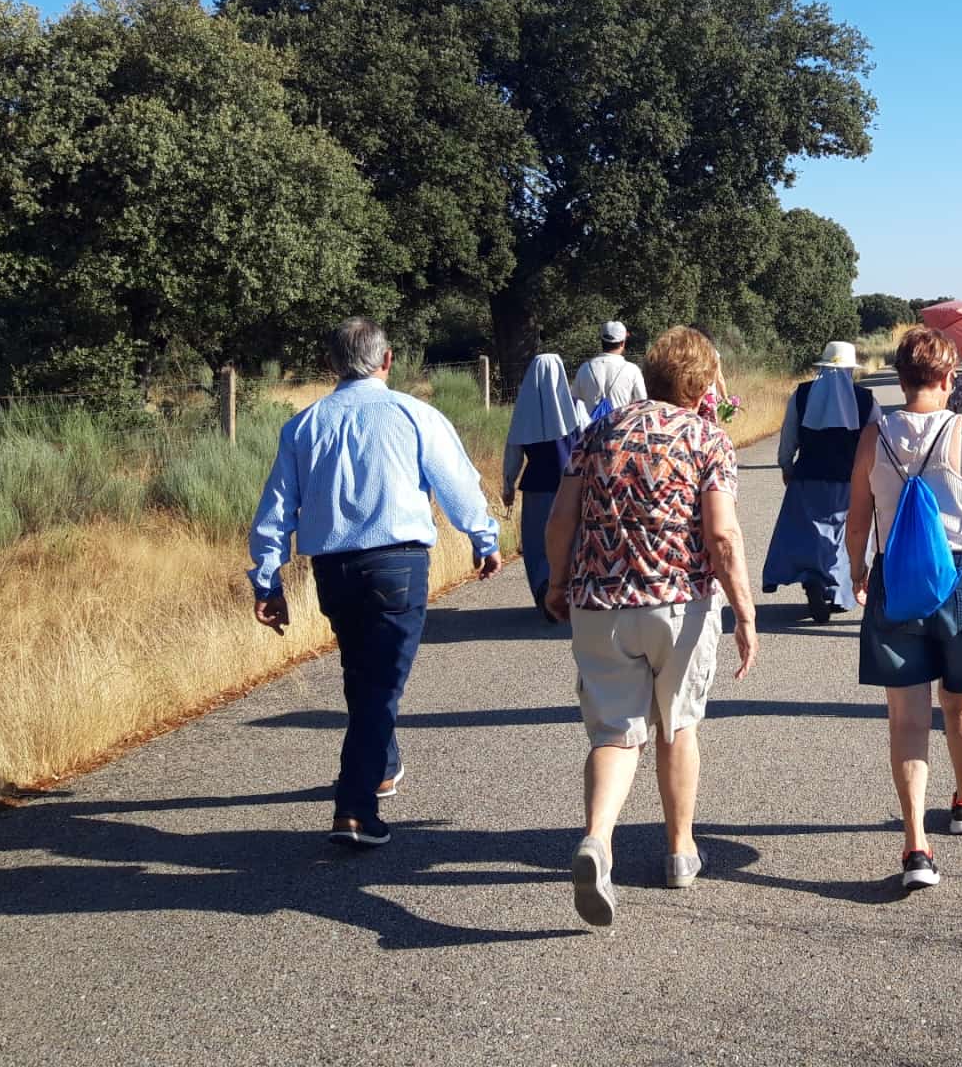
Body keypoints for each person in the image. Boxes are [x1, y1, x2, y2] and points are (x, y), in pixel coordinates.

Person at [248, 318, 501, 847]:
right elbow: (457, 483)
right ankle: (355, 809)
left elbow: (276, 508)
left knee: (362, 672)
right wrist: (483, 537)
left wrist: (268, 579)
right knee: (381, 686)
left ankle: (381, 768)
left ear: (331, 365)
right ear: (387, 360)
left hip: (333, 568)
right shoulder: (414, 414)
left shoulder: (303, 426)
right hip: (396, 563)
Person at [543, 325, 759, 927]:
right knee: (678, 725)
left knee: (615, 734)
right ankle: (680, 851)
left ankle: (598, 839)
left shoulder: (597, 432)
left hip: (600, 601)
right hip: (677, 604)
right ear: (701, 384)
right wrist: (744, 611)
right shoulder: (707, 438)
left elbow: (560, 519)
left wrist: (557, 583)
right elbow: (721, 535)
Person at [846, 325, 962, 892]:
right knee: (961, 700)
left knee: (907, 718)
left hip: (895, 580)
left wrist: (858, 571)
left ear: (902, 377)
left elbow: (857, 520)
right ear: (949, 377)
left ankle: (915, 846)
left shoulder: (874, 437)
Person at [762, 339, 880, 623]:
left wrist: (786, 464)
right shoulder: (865, 400)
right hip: (850, 481)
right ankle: (838, 593)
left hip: (808, 477)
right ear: (851, 369)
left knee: (808, 534)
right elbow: (877, 442)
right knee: (844, 535)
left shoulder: (802, 395)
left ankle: (812, 578)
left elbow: (789, 435)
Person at [502, 352, 587, 620]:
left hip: (536, 485)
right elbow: (589, 441)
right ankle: (570, 592)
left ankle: (543, 590)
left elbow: (513, 449)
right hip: (571, 486)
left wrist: (508, 484)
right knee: (571, 538)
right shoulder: (576, 406)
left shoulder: (524, 410)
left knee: (537, 542)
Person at [572, 321, 647, 417]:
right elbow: (642, 403)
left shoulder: (585, 368)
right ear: (623, 343)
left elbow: (575, 401)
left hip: (591, 425)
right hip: (620, 425)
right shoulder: (632, 370)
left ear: (602, 341)